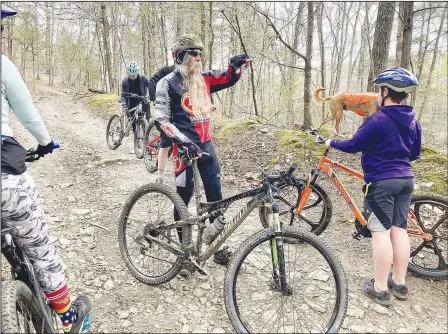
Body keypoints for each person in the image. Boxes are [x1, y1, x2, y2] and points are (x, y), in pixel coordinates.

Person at [1, 6, 91, 333]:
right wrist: (45, 142)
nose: (5, 33)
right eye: (1, 27)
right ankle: (69, 319)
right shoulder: (3, 65)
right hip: (5, 176)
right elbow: (28, 114)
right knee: (39, 247)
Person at [325, 68, 421, 306]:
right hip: (405, 180)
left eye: (380, 90)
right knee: (399, 230)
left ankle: (379, 287)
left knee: (381, 232)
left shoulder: (376, 119)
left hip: (381, 182)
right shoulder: (414, 122)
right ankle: (399, 283)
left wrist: (330, 141)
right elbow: (415, 153)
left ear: (385, 91)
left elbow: (353, 145)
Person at [155, 34, 251, 269]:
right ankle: (184, 253)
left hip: (207, 147)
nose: (199, 58)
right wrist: (183, 141)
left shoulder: (204, 79)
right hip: (184, 151)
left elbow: (227, 77)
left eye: (200, 54)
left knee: (216, 200)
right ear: (180, 56)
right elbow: (161, 120)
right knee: (183, 202)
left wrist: (235, 66)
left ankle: (215, 247)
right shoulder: (166, 83)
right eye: (194, 54)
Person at [120, 61, 151, 132]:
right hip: (131, 103)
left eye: (134, 75)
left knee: (146, 121)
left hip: (143, 101)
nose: (132, 77)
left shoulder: (144, 79)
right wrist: (124, 105)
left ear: (137, 72)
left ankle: (146, 136)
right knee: (134, 124)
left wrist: (152, 96)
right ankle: (136, 139)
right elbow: (123, 95)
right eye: (130, 75)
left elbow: (151, 87)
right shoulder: (125, 82)